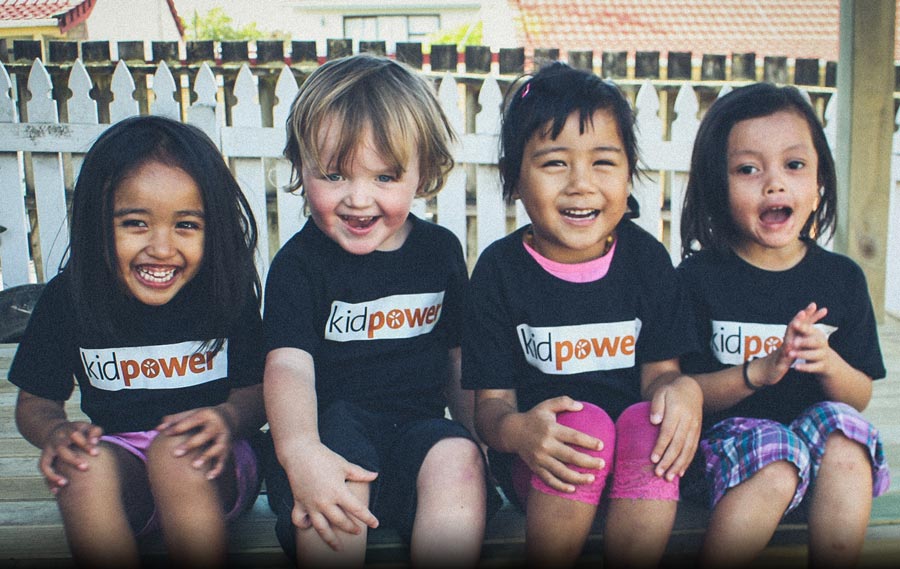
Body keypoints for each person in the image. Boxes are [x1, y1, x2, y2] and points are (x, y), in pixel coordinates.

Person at [461, 62, 703, 567]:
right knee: (586, 422)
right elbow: (490, 409)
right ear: (514, 179)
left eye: (603, 162)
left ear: (629, 171)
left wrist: (681, 391)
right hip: (545, 466)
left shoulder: (646, 261)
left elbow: (660, 376)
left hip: (635, 471)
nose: (580, 184)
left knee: (650, 421)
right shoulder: (500, 272)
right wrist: (520, 431)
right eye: (554, 163)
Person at [263, 54, 491, 568]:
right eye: (335, 175)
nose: (358, 198)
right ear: (301, 167)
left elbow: (457, 358)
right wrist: (300, 451)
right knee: (333, 483)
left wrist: (480, 440)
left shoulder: (439, 252)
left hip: (416, 433)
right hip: (327, 435)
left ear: (423, 171)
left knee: (458, 460)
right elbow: (288, 366)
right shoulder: (300, 265)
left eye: (385, 177)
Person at [9, 115, 267, 568]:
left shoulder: (222, 292)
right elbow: (35, 400)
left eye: (186, 225)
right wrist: (55, 432)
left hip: (212, 462)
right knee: (82, 470)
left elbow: (259, 390)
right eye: (135, 223)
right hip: (122, 464)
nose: (162, 248)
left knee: (175, 453)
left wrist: (227, 418)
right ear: (96, 223)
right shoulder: (71, 298)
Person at [678, 82, 890, 568]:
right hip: (723, 455)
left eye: (794, 165)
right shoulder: (698, 279)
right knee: (775, 458)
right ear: (719, 186)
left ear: (818, 185)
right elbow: (682, 390)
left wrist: (829, 364)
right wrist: (758, 371)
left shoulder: (840, 279)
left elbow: (858, 396)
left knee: (846, 432)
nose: (774, 183)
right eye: (748, 169)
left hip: (813, 453)